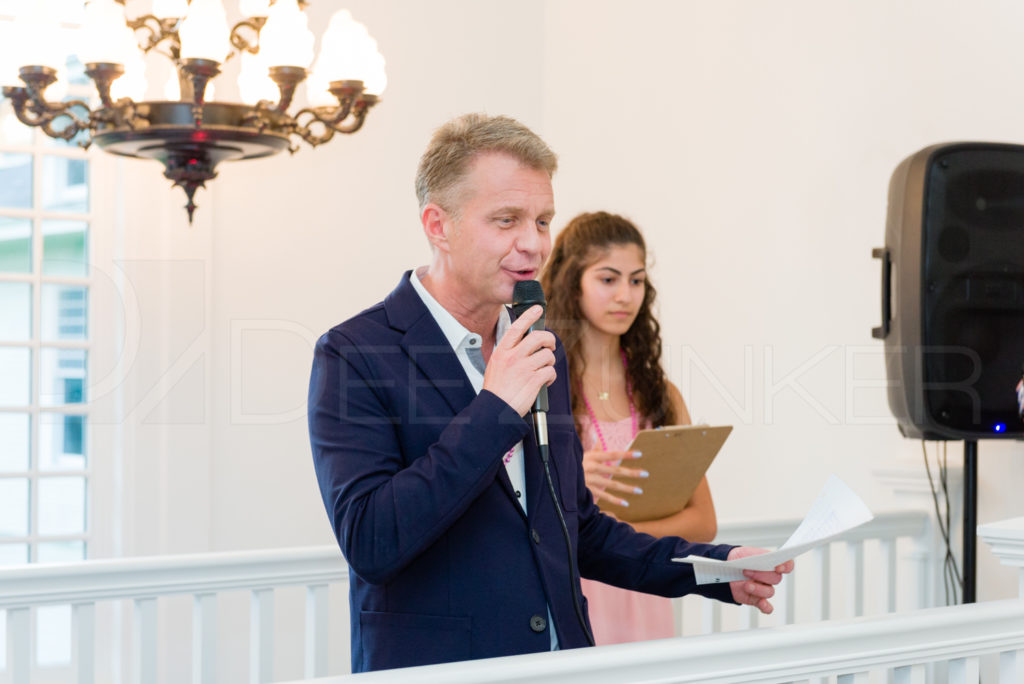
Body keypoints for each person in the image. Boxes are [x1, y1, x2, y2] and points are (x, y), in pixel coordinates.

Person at [307, 113, 792, 673]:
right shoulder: (355, 353)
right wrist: (494, 408)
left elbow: (577, 528)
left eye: (542, 220)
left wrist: (717, 569)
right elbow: (372, 541)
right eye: (507, 220)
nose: (533, 244)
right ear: (437, 225)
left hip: (562, 664)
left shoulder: (543, 348)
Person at [541, 211, 716, 644]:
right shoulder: (542, 388)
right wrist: (572, 485)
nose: (625, 295)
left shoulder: (663, 394)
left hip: (645, 591)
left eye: (636, 280)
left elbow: (704, 522)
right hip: (574, 594)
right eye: (608, 279)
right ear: (571, 282)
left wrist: (615, 535)